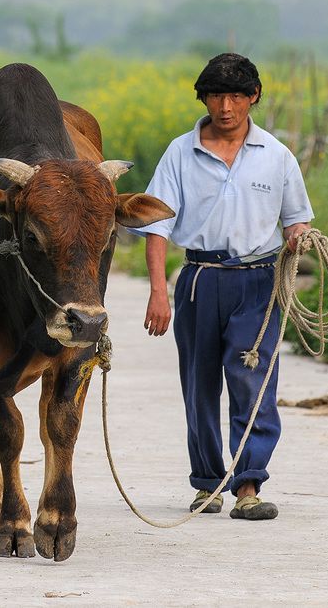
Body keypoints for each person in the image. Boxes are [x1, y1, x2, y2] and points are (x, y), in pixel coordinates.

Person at [132, 53, 313, 520]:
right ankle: (208, 485)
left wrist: (301, 240)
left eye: (235, 95)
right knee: (199, 385)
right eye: (215, 95)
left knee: (253, 381)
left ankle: (249, 485)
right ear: (204, 99)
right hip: (199, 281)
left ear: (253, 97)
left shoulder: (277, 156)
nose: (225, 105)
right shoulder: (180, 151)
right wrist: (157, 291)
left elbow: (296, 222)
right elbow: (156, 227)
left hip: (259, 282)